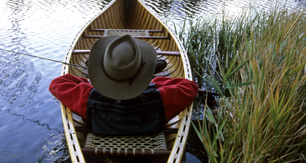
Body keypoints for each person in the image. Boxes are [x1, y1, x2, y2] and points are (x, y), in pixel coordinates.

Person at [49, 34, 198, 136]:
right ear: (143, 76)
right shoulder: (162, 99)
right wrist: (152, 82)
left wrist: (90, 82)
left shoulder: (87, 97)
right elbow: (190, 87)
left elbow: (57, 84)